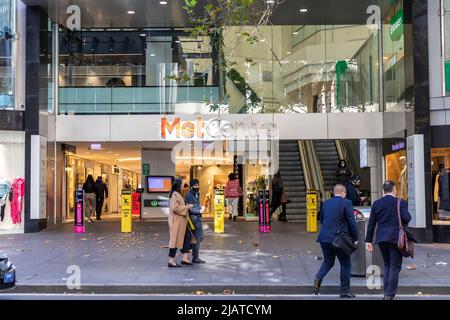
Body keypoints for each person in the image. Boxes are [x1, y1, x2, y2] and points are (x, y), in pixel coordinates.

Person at [365, 181, 412, 300]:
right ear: (394, 190)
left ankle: (386, 292)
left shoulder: (376, 203)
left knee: (387, 264)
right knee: (395, 266)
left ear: (384, 190)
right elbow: (407, 218)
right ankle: (389, 294)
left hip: (381, 238)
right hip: (396, 238)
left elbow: (371, 224)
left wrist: (368, 241)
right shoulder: (400, 202)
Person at [313, 184, 359, 298]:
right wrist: (356, 238)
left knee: (328, 262)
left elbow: (322, 219)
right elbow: (352, 222)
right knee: (345, 264)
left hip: (324, 237)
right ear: (343, 192)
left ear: (334, 193)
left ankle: (318, 278)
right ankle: (344, 291)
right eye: (345, 193)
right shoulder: (347, 203)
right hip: (339, 239)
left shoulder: (326, 203)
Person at [168, 180, 193, 268]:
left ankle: (185, 258)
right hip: (177, 222)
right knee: (174, 241)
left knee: (187, 237)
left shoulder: (177, 194)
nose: (183, 185)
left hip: (181, 222)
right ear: (178, 185)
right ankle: (171, 260)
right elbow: (175, 208)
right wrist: (187, 207)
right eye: (182, 184)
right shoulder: (175, 195)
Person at [183, 179, 206, 264]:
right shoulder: (189, 195)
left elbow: (195, 205)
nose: (197, 187)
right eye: (195, 185)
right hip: (194, 219)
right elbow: (189, 208)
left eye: (198, 185)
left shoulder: (196, 193)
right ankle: (194, 257)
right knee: (197, 238)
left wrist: (200, 208)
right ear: (191, 186)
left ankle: (191, 256)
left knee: (197, 238)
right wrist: (199, 211)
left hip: (197, 218)